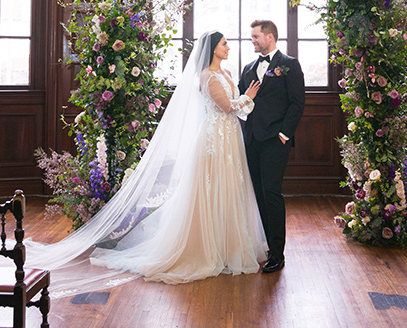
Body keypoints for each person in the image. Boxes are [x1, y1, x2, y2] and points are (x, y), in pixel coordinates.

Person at [20, 30, 267, 294]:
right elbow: (227, 107)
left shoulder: (227, 74)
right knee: (210, 190)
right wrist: (248, 97)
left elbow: (233, 109)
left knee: (229, 189)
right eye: (224, 44)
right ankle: (207, 249)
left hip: (230, 139)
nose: (228, 47)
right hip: (213, 142)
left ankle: (228, 246)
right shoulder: (207, 77)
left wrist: (243, 100)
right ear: (212, 49)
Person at [237, 19, 306, 274]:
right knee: (259, 195)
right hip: (252, 139)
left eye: (256, 37)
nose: (252, 41)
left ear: (270, 37)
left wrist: (284, 135)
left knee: (272, 194)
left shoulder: (289, 65)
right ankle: (268, 246)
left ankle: (278, 253)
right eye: (252, 37)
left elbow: (297, 103)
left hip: (276, 141)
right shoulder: (247, 68)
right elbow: (242, 101)